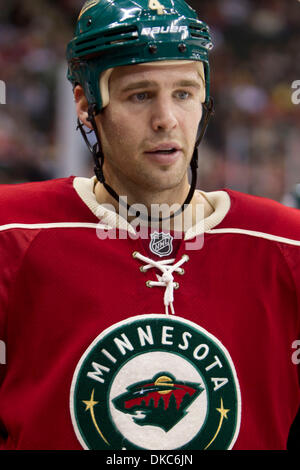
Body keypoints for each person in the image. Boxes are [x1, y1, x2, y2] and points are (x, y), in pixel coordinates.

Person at [0, 0, 299, 451]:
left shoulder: (287, 245)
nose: (166, 119)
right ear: (85, 102)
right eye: (140, 95)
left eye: (183, 92)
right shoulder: (11, 233)